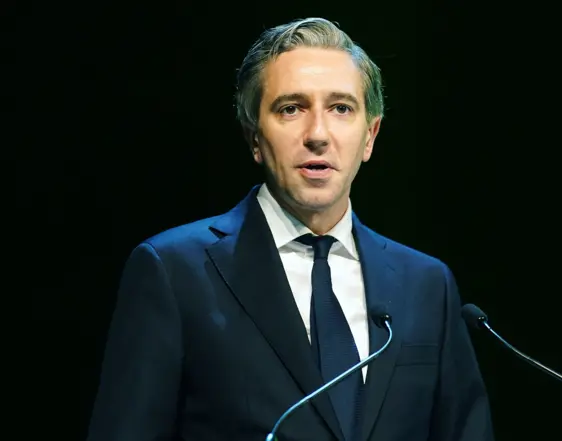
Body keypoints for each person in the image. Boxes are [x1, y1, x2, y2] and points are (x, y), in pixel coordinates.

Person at [86, 17, 494, 441]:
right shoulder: (173, 271)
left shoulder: (427, 284)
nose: (318, 134)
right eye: (291, 108)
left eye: (341, 108)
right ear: (254, 138)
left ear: (370, 136)